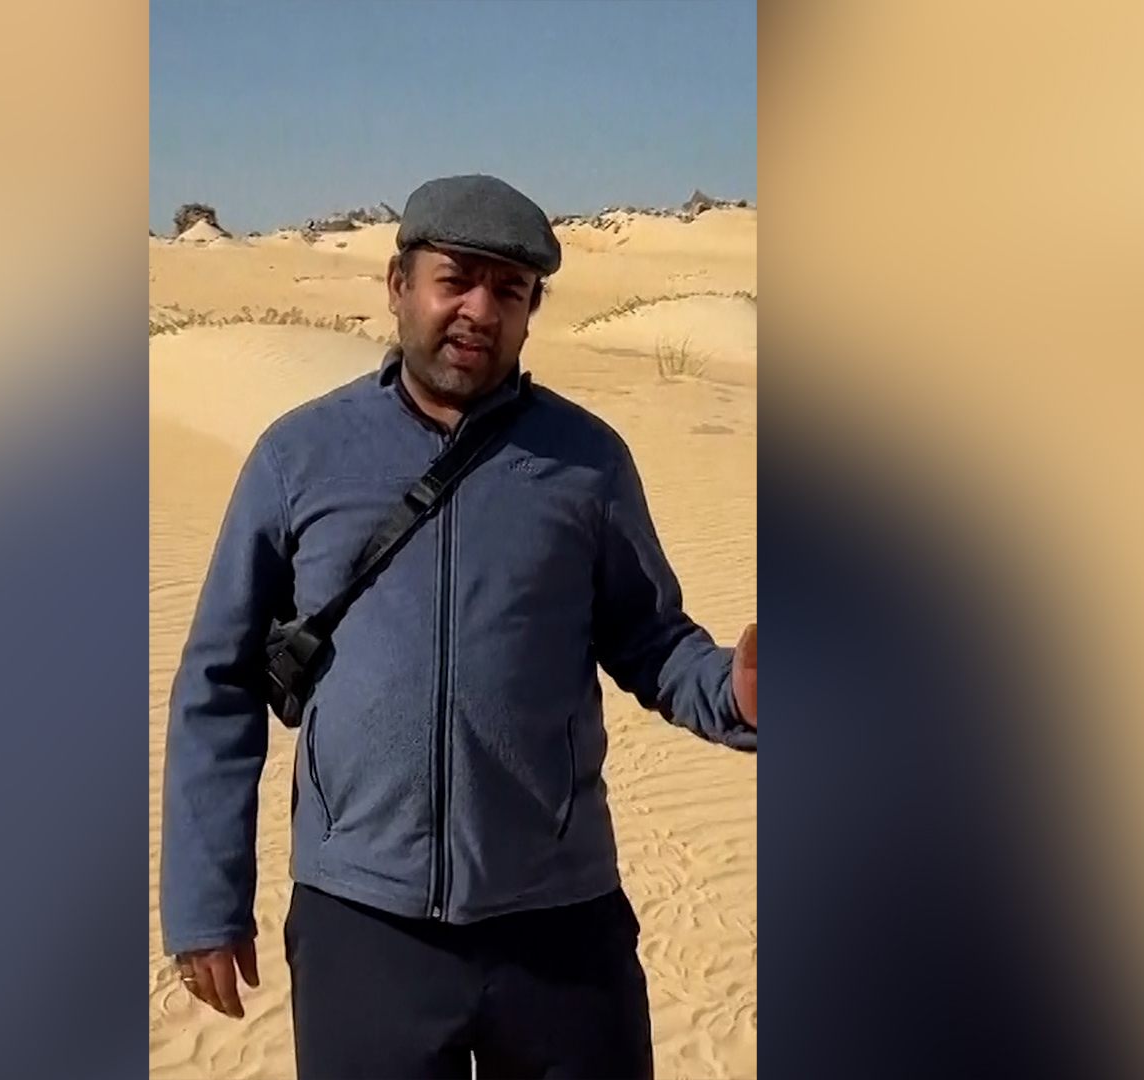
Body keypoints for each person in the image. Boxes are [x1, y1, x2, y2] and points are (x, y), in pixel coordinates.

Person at [159, 174, 757, 1080]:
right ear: (398, 286)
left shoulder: (586, 462)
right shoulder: (299, 456)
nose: (478, 308)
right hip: (363, 923)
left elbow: (653, 643)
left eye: (507, 290)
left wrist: (738, 692)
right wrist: (208, 897)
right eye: (455, 278)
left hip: (560, 924)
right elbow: (220, 682)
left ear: (531, 311)